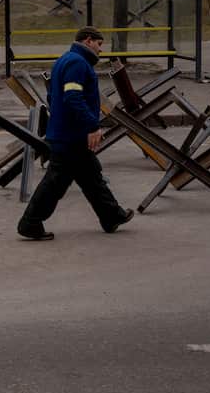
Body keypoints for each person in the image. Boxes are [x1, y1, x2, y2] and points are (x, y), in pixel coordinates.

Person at [17, 26, 133, 241]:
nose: (100, 50)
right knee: (56, 182)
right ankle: (30, 223)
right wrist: (91, 125)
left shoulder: (65, 59)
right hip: (71, 135)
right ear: (88, 40)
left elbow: (53, 96)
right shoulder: (78, 63)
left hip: (67, 132)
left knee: (90, 176)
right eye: (99, 44)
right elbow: (72, 97)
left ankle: (111, 215)